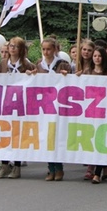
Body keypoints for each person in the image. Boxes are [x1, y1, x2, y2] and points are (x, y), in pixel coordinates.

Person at [0, 37, 36, 179]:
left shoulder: (27, 64)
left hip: (21, 105)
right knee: (4, 133)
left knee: (18, 135)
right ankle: (4, 165)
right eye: (11, 46)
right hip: (6, 104)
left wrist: (32, 75)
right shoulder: (3, 63)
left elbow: (38, 81)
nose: (12, 48)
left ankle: (17, 166)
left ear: (21, 50)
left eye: (16, 46)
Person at [33, 38, 71, 181]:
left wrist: (66, 76)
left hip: (58, 105)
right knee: (46, 137)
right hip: (44, 106)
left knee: (56, 137)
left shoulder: (63, 64)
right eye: (43, 49)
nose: (46, 52)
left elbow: (72, 82)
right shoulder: (39, 64)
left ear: (54, 49)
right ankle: (51, 168)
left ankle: (59, 168)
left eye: (49, 49)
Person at [87, 47, 107, 184]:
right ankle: (100, 166)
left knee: (101, 140)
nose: (96, 58)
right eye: (95, 56)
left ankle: (97, 173)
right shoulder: (88, 72)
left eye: (99, 56)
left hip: (104, 113)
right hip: (90, 112)